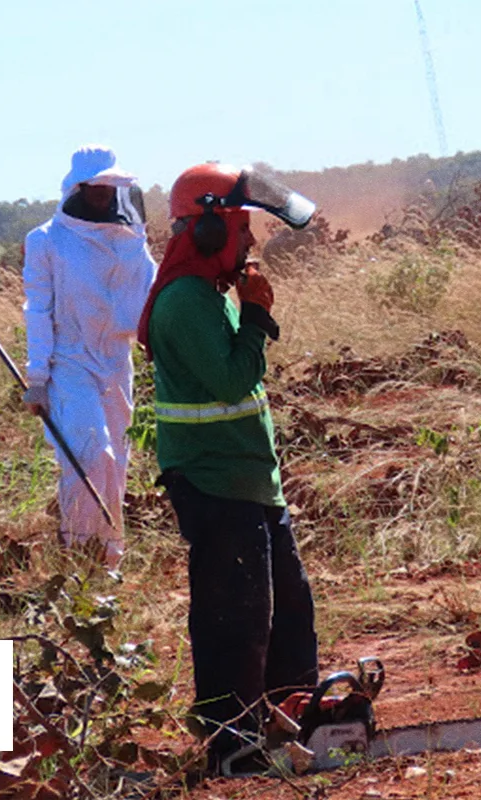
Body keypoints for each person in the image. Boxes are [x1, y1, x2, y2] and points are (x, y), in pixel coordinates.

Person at [136, 162, 318, 767]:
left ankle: (298, 722)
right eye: (242, 229)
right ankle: (232, 745)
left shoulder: (212, 297)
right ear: (210, 231)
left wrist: (249, 312)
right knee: (235, 622)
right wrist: (259, 318)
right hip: (215, 484)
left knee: (288, 611)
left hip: (250, 483)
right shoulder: (186, 301)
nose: (251, 242)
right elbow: (233, 377)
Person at [22, 145, 157, 567]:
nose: (104, 195)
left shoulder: (130, 239)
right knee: (89, 455)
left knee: (116, 463)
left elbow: (150, 297)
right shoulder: (46, 240)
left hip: (117, 363)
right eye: (96, 186)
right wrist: (38, 377)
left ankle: (109, 559)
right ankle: (79, 558)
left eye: (111, 187)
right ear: (77, 187)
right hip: (70, 364)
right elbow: (39, 309)